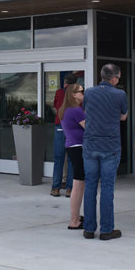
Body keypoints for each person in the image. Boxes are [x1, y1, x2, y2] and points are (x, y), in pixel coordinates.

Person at [82, 63, 128, 241]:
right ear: (114, 78)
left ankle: (89, 229)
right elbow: (123, 116)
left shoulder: (89, 92)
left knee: (90, 187)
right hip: (110, 146)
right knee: (107, 188)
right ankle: (107, 230)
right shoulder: (119, 94)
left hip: (91, 144)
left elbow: (86, 111)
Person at [59, 83, 86, 230]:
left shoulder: (65, 110)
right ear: (73, 94)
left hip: (71, 146)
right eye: (81, 92)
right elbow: (89, 127)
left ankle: (75, 216)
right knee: (78, 184)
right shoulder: (76, 110)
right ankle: (74, 220)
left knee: (78, 183)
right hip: (78, 148)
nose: (83, 94)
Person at [51, 73, 78, 197]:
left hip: (60, 127)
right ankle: (69, 189)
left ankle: (55, 188)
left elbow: (55, 107)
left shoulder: (59, 93)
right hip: (73, 127)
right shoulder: (78, 94)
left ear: (65, 83)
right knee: (72, 159)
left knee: (58, 158)